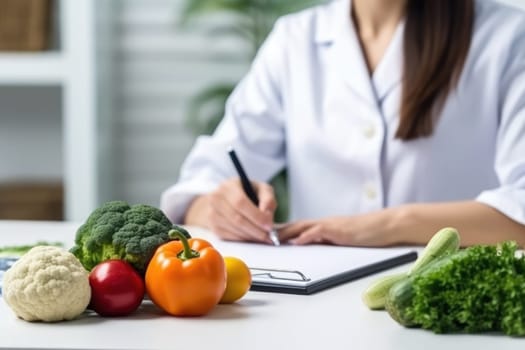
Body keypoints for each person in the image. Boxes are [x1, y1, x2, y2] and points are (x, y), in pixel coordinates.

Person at [161, 0, 525, 247]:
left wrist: (385, 225)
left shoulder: (507, 37)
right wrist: (222, 209)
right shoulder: (295, 40)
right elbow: (198, 189)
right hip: (318, 307)